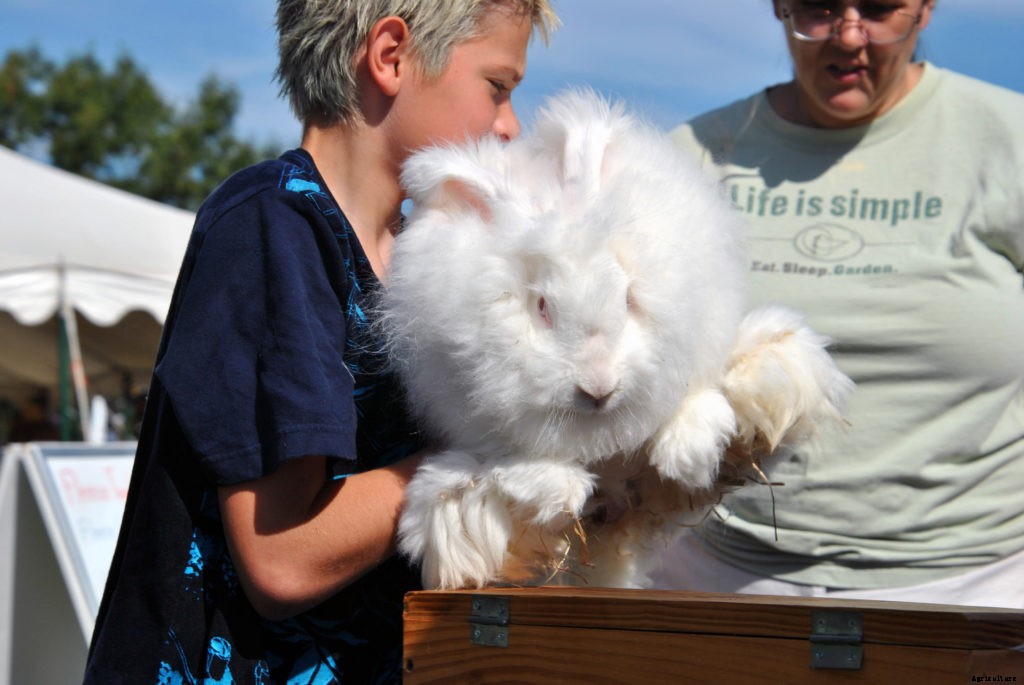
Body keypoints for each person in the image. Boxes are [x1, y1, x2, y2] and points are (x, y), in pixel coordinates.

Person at [83, 1, 557, 682]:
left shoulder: (419, 258)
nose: (510, 125)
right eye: (498, 87)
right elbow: (283, 555)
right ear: (390, 56)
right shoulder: (276, 226)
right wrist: (494, 452)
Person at [652, 0, 1024, 608]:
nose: (849, 37)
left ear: (926, 9)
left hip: (979, 584)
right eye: (818, 9)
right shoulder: (690, 156)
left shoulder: (1009, 140)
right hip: (714, 576)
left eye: (880, 10)